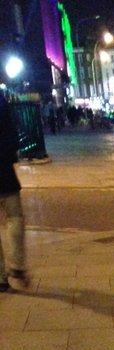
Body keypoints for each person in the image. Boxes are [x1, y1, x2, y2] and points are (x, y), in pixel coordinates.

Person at [0, 93, 30, 292]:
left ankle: (0, 277)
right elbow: (12, 131)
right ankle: (17, 266)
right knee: (15, 216)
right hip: (2, 168)